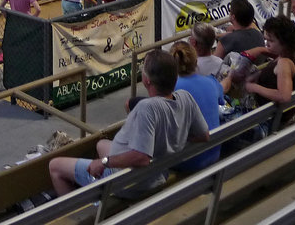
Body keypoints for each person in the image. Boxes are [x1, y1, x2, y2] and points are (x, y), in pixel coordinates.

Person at [48, 50, 209, 196]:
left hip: (130, 183)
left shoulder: (147, 108)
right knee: (101, 144)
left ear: (146, 80)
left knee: (55, 166)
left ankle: (77, 213)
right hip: (155, 172)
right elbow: (204, 135)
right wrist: (171, 144)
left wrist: (104, 162)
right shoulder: (185, 97)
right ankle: (99, 194)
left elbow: (141, 158)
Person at [223, 16, 295, 115]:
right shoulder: (294, 54)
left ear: (284, 41)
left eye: (271, 41)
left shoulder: (284, 64)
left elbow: (284, 96)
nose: (267, 44)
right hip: (267, 108)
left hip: (266, 116)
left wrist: (254, 87)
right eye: (266, 39)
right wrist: (258, 75)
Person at [170, 42, 223, 172]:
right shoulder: (211, 82)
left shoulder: (169, 91)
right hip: (213, 153)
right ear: (195, 61)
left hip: (188, 161)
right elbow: (221, 98)